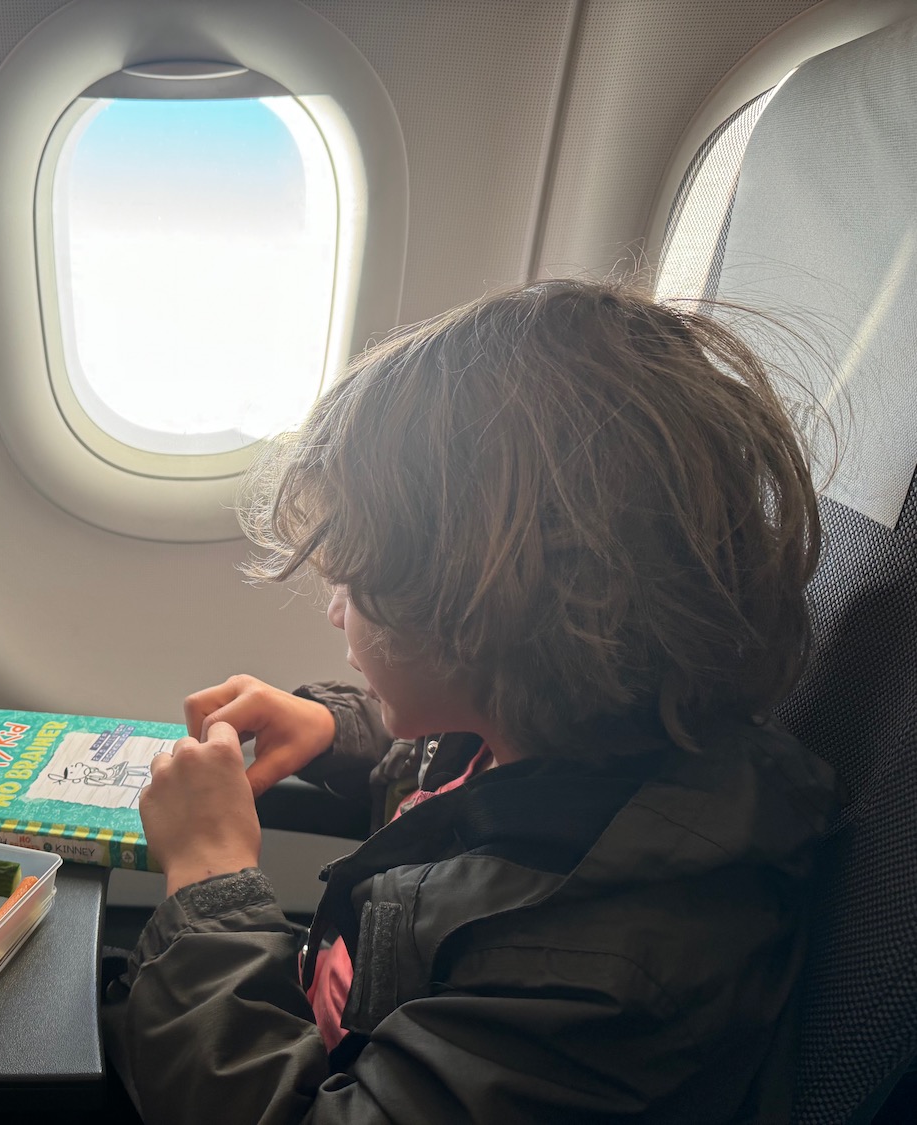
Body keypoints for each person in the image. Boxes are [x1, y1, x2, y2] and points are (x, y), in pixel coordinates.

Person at [100, 279, 842, 1123]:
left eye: (353, 582)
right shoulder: (552, 725)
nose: (336, 609)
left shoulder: (604, 964)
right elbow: (457, 787)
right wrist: (339, 730)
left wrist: (209, 884)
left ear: (488, 620)